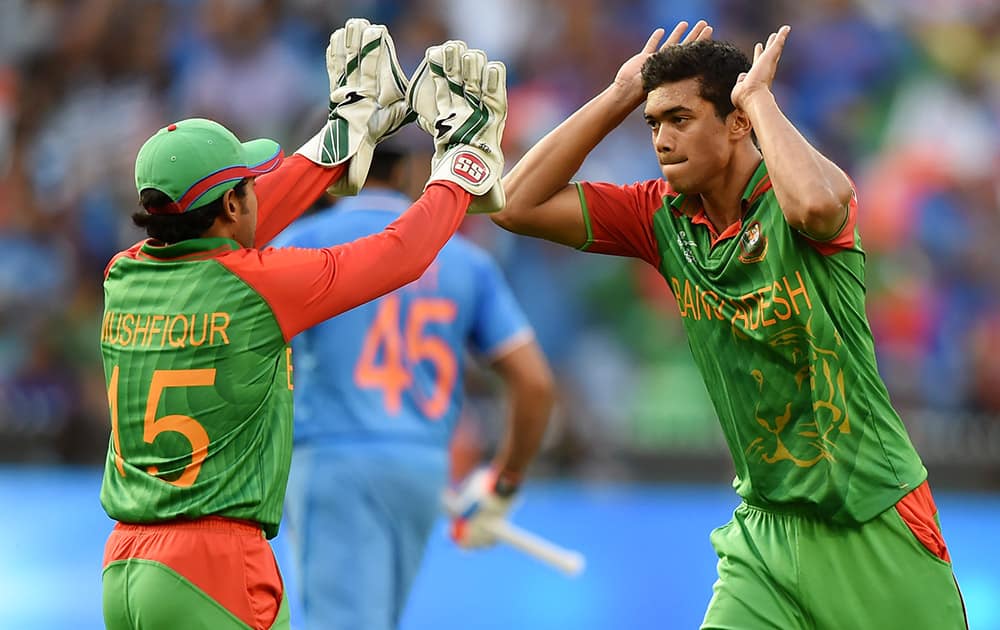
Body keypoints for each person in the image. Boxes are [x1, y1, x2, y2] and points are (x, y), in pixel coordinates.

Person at [489, 20, 968, 630]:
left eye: (680, 120)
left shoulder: (800, 187)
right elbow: (514, 202)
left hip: (872, 516)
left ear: (737, 122)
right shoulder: (657, 216)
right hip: (764, 532)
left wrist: (760, 98)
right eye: (653, 123)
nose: (661, 138)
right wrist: (619, 95)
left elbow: (821, 205)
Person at [97, 20, 510, 630]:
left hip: (125, 568)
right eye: (249, 184)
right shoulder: (262, 285)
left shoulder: (121, 277)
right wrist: (460, 167)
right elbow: (403, 254)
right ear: (233, 205)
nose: (260, 189)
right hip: (215, 566)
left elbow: (225, 230)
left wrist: (340, 138)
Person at [275, 142, 554, 630]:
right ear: (408, 171)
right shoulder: (464, 258)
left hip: (332, 464)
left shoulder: (299, 242)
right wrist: (503, 484)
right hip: (423, 469)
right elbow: (534, 382)